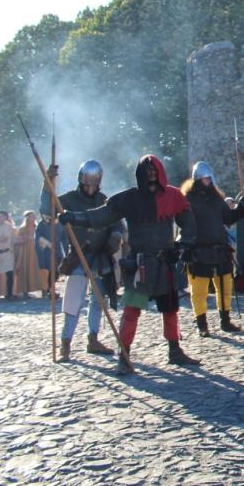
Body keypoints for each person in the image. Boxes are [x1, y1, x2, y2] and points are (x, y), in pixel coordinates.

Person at [60, 155, 200, 374]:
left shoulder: (173, 196)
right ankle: (124, 357)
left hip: (164, 262)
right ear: (140, 175)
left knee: (170, 309)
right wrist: (75, 217)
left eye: (155, 172)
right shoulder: (129, 199)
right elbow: (101, 217)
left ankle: (175, 351)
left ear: (161, 173)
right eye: (147, 172)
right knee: (132, 311)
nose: (151, 176)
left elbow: (189, 224)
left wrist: (182, 246)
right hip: (140, 264)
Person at [41, 160, 122, 361]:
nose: (89, 188)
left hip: (101, 256)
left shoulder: (105, 200)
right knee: (73, 301)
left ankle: (93, 339)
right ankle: (65, 344)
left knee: (98, 301)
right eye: (86, 184)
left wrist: (115, 236)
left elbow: (116, 223)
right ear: (80, 181)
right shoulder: (68, 200)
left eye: (93, 184)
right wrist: (47, 181)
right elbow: (47, 211)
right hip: (79, 255)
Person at [182, 161, 244, 337]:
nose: (208, 181)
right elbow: (182, 222)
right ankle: (201, 323)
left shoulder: (217, 199)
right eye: (205, 179)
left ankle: (225, 321)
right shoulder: (188, 200)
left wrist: (242, 208)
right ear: (197, 179)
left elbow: (228, 218)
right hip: (198, 250)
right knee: (199, 290)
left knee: (225, 286)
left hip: (220, 249)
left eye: (209, 178)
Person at [12, 211, 48, 298]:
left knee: (41, 270)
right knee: (26, 269)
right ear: (27, 218)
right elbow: (18, 240)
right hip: (26, 252)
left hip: (38, 251)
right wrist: (27, 238)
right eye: (31, 217)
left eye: (34, 216)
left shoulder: (39, 227)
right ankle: (25, 290)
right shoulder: (22, 229)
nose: (33, 218)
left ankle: (44, 289)